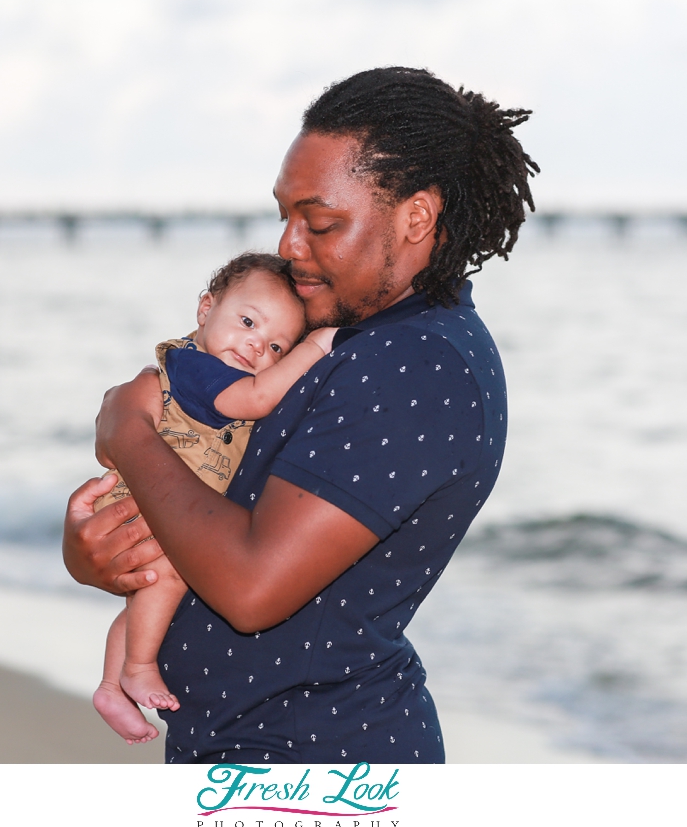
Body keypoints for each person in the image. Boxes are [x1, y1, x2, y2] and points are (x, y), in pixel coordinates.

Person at [64, 66, 538, 763]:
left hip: (320, 761)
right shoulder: (342, 333)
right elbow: (207, 499)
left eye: (319, 222)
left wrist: (126, 432)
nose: (288, 244)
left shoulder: (421, 364)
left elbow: (252, 585)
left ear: (416, 217)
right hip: (244, 745)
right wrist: (100, 550)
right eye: (285, 215)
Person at [90, 252, 337, 744]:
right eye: (246, 322)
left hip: (157, 503)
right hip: (141, 502)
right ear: (206, 309)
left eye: (274, 346)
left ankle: (109, 687)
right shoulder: (197, 368)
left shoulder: (218, 366)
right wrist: (312, 349)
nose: (253, 345)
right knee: (171, 572)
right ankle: (137, 667)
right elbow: (255, 400)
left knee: (148, 598)